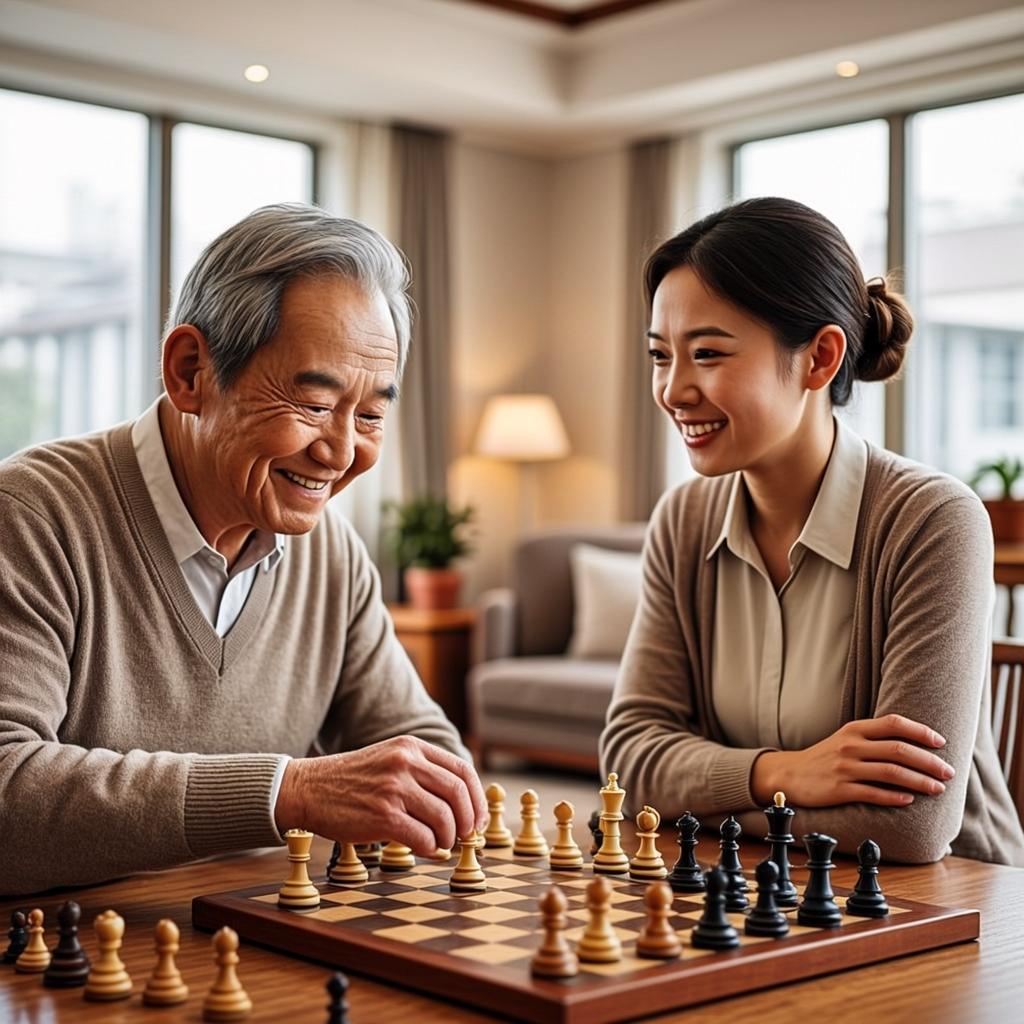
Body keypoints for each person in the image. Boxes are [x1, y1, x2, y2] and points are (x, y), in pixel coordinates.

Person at [0, 204, 486, 896]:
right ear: (190, 370)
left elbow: (422, 752)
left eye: (371, 414)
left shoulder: (333, 557)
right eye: (314, 404)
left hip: (254, 938)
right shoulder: (32, 517)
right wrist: (285, 793)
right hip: (60, 963)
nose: (342, 452)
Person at [599, 196, 1024, 866]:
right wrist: (783, 772)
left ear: (820, 359)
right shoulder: (682, 522)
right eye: (660, 355)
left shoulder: (933, 522)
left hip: (951, 913)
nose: (673, 390)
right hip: (769, 895)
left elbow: (910, 828)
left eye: (707, 353)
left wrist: (708, 797)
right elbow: (629, 758)